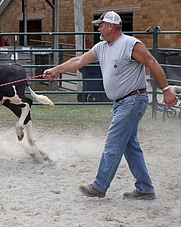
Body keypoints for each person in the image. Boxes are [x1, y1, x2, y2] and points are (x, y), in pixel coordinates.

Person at [43, 11, 178, 200]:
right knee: (130, 146)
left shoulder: (131, 44)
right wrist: (56, 70)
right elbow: (79, 61)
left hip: (133, 100)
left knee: (113, 143)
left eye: (101, 25)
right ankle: (145, 188)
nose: (98, 27)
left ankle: (100, 186)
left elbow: (151, 62)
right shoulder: (101, 47)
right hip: (121, 103)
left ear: (111, 26)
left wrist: (165, 89)